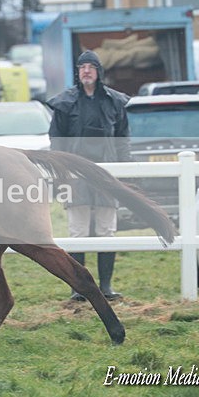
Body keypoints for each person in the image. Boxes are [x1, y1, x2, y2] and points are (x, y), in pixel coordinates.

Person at [47, 50, 132, 301]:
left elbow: (122, 140)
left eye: (91, 67)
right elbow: (56, 142)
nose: (86, 70)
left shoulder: (114, 102)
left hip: (107, 174)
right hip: (75, 174)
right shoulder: (65, 103)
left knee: (107, 230)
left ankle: (105, 286)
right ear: (78, 72)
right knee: (78, 232)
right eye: (82, 66)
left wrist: (125, 171)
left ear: (98, 72)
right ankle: (78, 287)